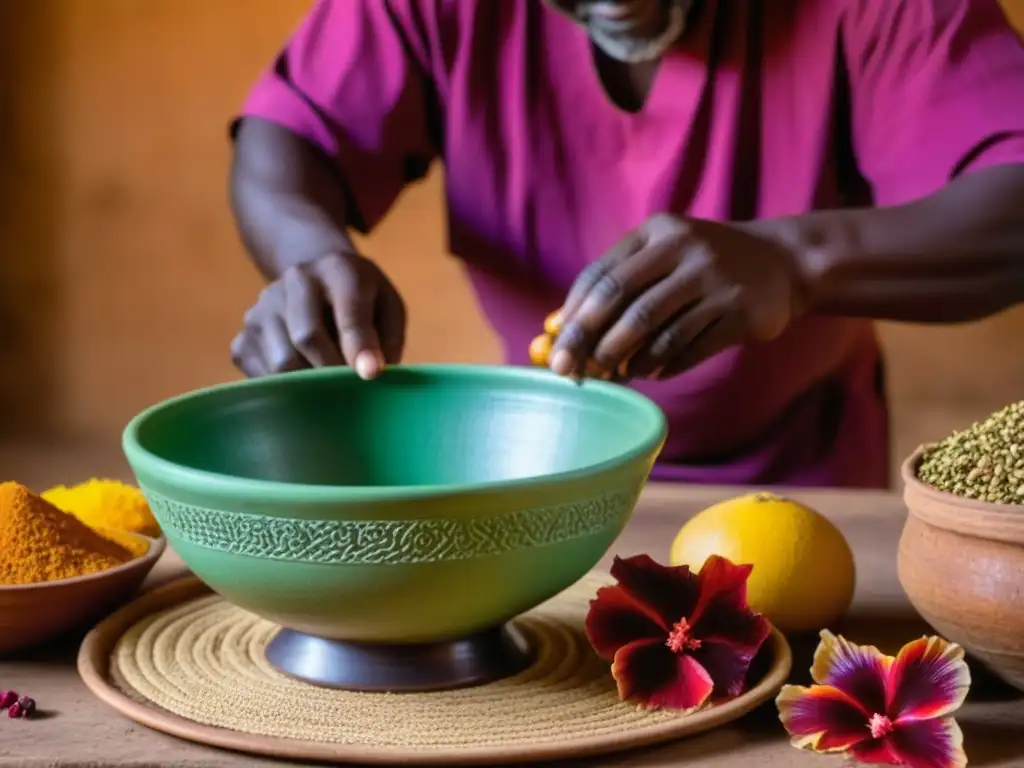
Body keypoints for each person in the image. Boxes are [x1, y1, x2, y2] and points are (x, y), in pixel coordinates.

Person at [227, 0, 1024, 488]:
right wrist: (309, 256)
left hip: (802, 489)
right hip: (539, 471)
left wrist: (796, 261)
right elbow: (287, 143)